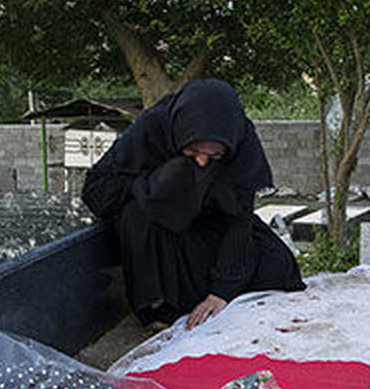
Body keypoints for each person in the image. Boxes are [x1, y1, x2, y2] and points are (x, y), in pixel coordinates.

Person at [82, 79, 304, 329]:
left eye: (215, 156)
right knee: (137, 214)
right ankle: (162, 306)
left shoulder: (242, 141)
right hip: (159, 228)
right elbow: (97, 193)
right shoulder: (152, 128)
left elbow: (239, 222)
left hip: (211, 225)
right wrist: (155, 186)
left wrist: (221, 292)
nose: (201, 162)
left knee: (276, 265)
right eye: (192, 151)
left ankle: (205, 294)